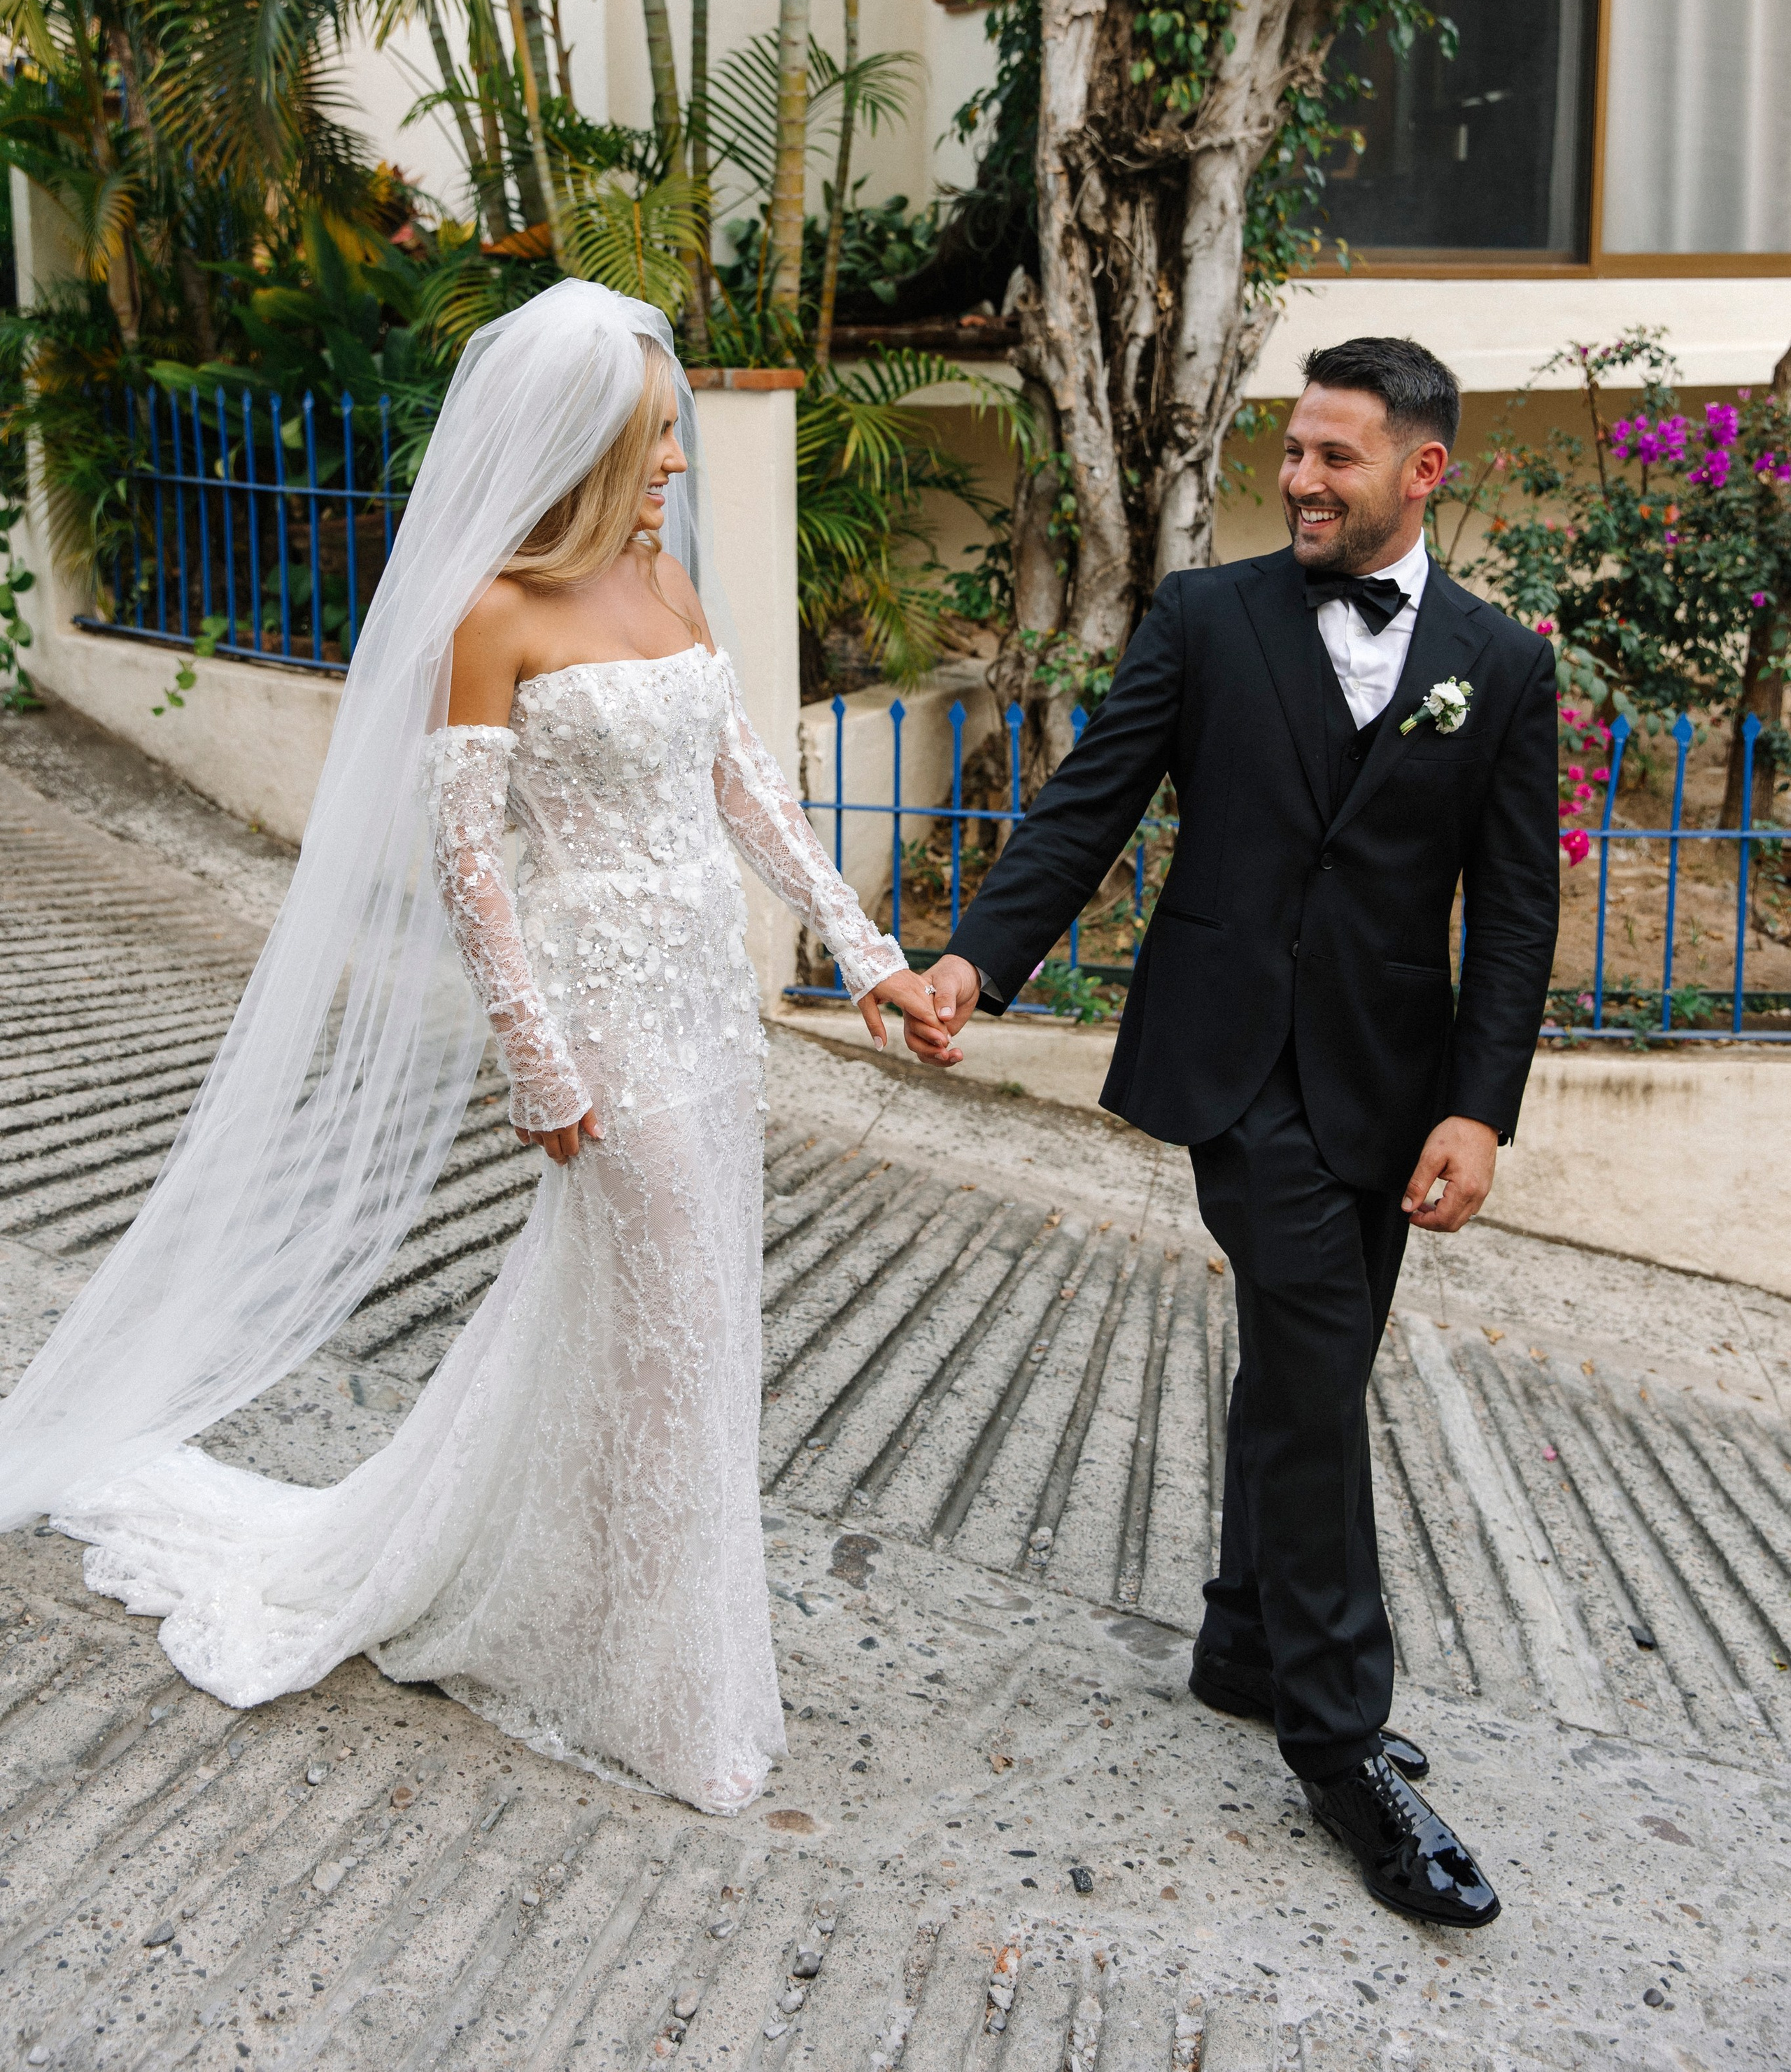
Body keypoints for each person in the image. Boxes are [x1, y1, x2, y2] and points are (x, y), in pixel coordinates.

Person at [0, 283, 949, 1816]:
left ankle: (597, 1608)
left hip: (707, 1013)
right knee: (670, 1338)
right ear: (580, 441)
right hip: (603, 1028)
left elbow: (746, 792)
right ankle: (662, 1690)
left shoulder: (669, 590)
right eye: (654, 439)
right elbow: (469, 863)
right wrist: (537, 1058)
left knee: (682, 1329)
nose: (677, 466)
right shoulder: (491, 615)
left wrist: (874, 961)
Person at [908, 336, 1559, 1926]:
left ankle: (1241, 1642)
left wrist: (1477, 1109)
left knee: (1297, 1366)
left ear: (1422, 471)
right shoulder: (1205, 618)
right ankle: (1342, 1752)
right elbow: (1092, 802)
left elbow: (1516, 912)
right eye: (1291, 451)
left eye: (1335, 457)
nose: (1298, 479)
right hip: (1231, 1070)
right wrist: (974, 958)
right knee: (1321, 1381)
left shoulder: (1500, 664)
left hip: (1387, 1084)